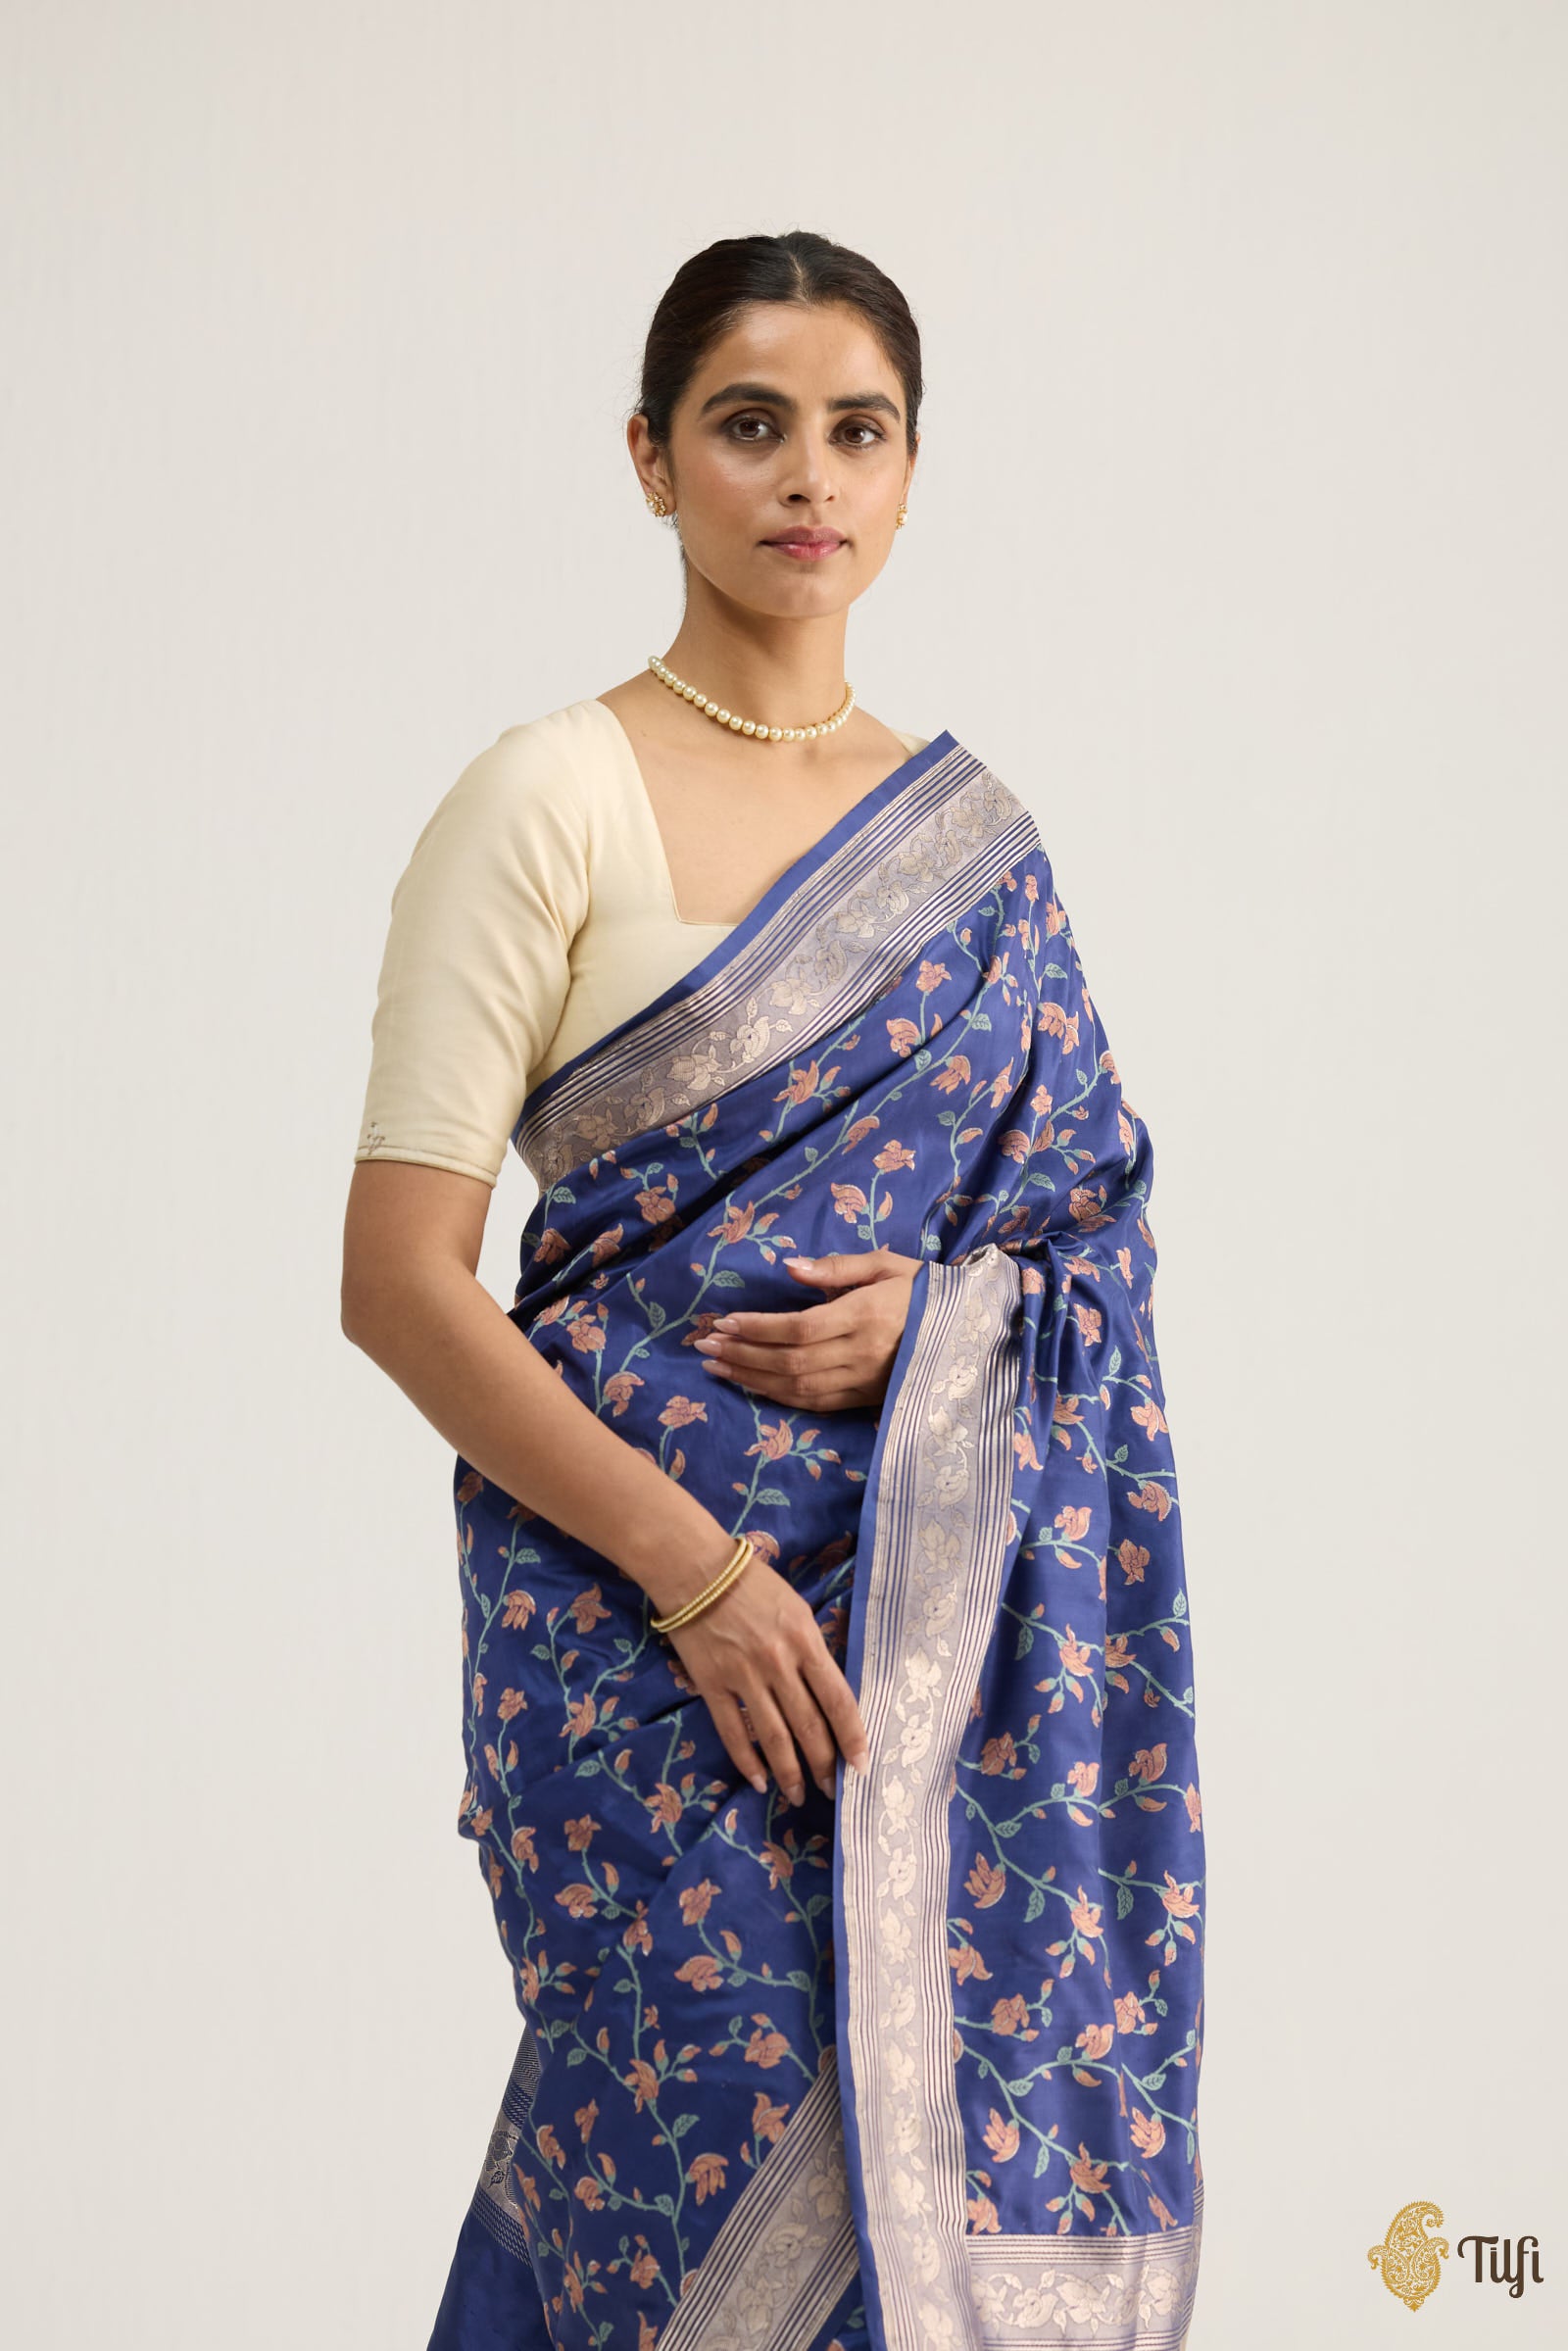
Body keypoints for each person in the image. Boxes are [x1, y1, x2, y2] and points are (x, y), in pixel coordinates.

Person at [341, 228, 1206, 2351]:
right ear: (650, 459)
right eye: (748, 425)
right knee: (675, 2184)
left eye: (857, 430)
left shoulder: (980, 848)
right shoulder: (545, 797)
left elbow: (1093, 1239)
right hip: (646, 1662)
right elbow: (397, 1283)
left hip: (936, 1667)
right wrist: (700, 1578)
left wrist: (946, 1328)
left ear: (909, 472)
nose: (807, 477)